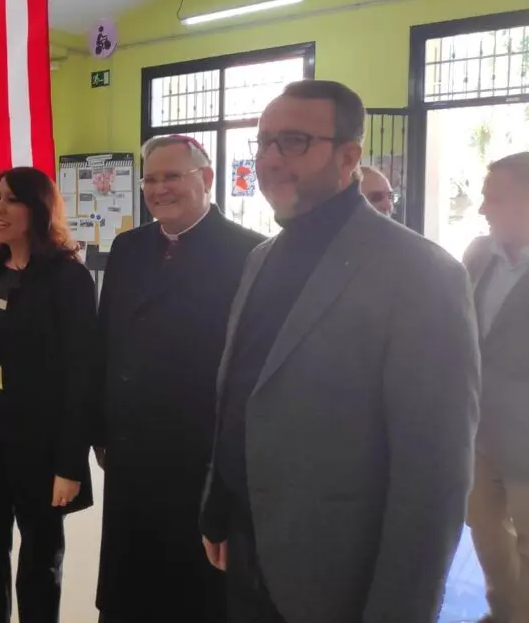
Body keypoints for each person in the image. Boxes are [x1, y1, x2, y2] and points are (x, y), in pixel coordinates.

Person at [200, 80, 481, 623]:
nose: (270, 159)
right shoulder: (262, 258)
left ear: (349, 157)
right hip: (248, 548)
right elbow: (241, 391)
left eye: (294, 142)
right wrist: (218, 506)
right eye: (263, 142)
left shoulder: (421, 273)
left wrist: (401, 610)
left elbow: (435, 476)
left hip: (339, 572)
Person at [93, 134, 263, 623]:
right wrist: (99, 425)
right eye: (150, 179)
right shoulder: (128, 247)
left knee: (195, 588)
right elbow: (107, 339)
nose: (158, 188)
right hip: (131, 446)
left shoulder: (250, 252)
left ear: (206, 179)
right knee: (131, 582)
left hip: (200, 450)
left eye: (172, 176)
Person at [0, 167, 97, 623]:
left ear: (38, 208)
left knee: (39, 562)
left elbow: (81, 376)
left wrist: (70, 465)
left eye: (11, 199)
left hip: (40, 443)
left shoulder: (68, 278)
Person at [463, 152, 529, 623]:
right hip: (476, 433)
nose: (483, 208)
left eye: (495, 198)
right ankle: (505, 613)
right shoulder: (478, 254)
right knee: (487, 537)